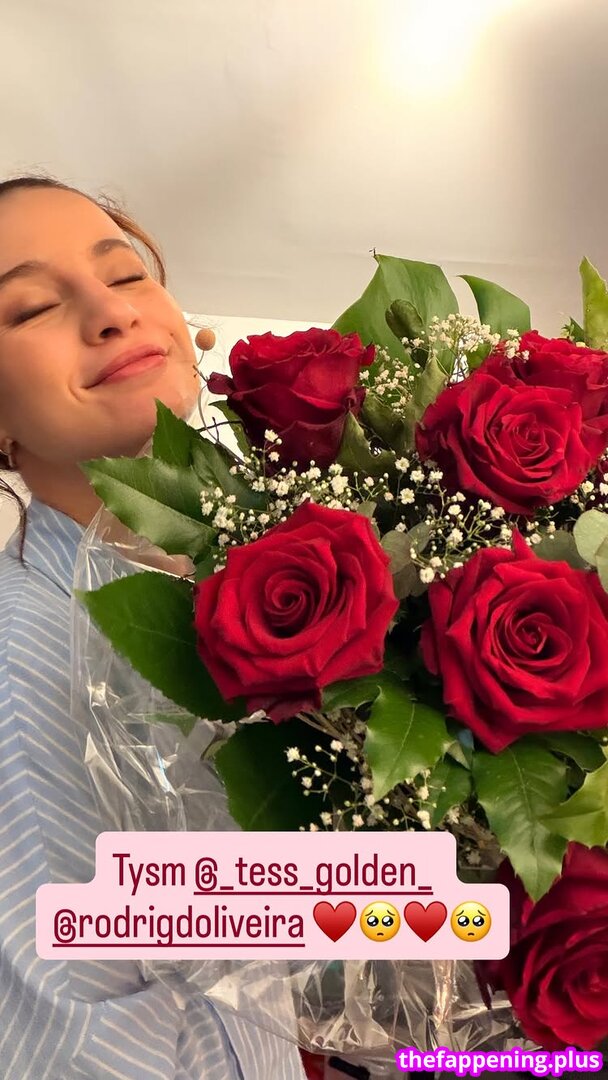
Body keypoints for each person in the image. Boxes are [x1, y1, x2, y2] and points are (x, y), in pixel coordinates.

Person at [0, 175, 310, 1080]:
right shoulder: (20, 657)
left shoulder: (232, 592)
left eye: (127, 274)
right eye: (31, 308)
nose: (111, 313)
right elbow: (77, 1052)